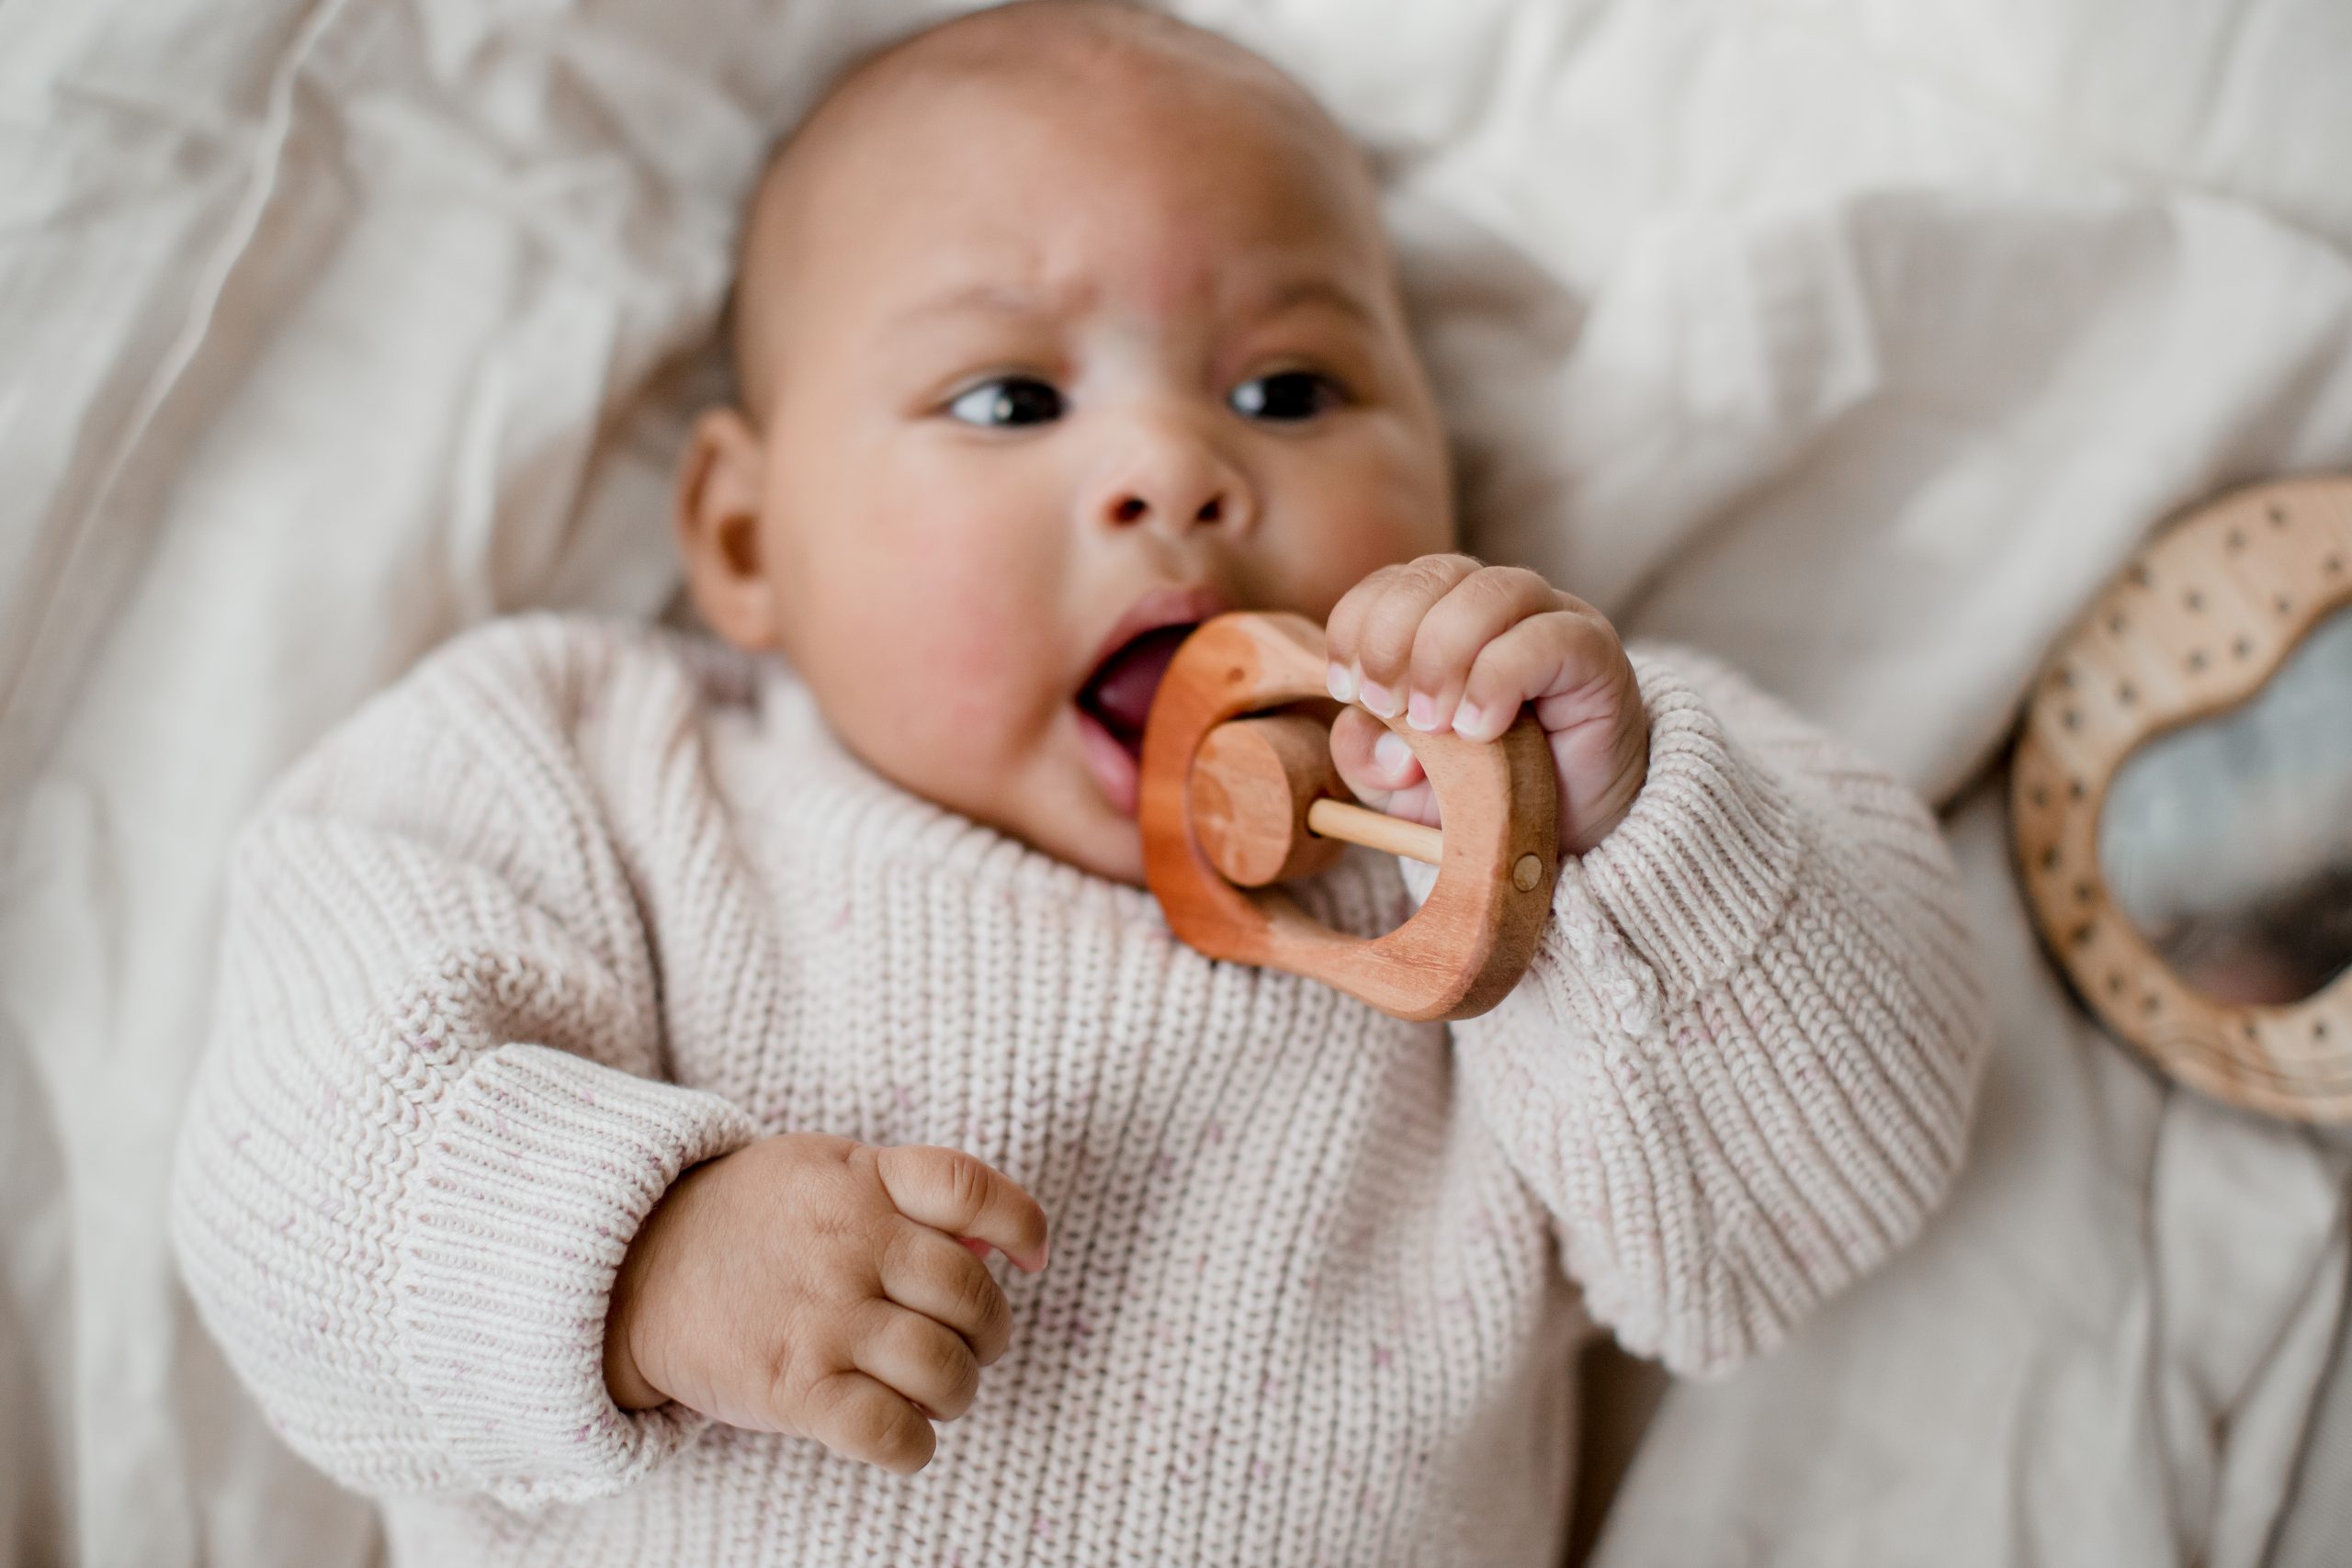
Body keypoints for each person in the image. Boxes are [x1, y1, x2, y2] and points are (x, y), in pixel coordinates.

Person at [171, 4, 1989, 1562]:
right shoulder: (590, 765)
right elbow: (291, 1169)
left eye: (1286, 388)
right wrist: (629, 1263)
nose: (1175, 470)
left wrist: (1616, 831)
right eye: (1004, 401)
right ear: (742, 530)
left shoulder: (1475, 831)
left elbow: (1812, 1208)